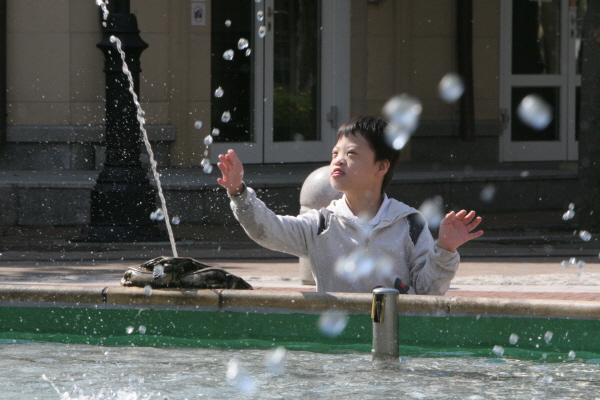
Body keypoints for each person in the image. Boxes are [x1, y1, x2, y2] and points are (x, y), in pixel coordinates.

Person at [217, 115, 483, 295]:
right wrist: (239, 193)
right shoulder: (320, 224)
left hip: (393, 341)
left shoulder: (410, 224)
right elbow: (267, 230)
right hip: (336, 347)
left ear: (381, 166)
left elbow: (428, 292)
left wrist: (445, 249)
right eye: (335, 153)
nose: (338, 160)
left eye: (351, 153)